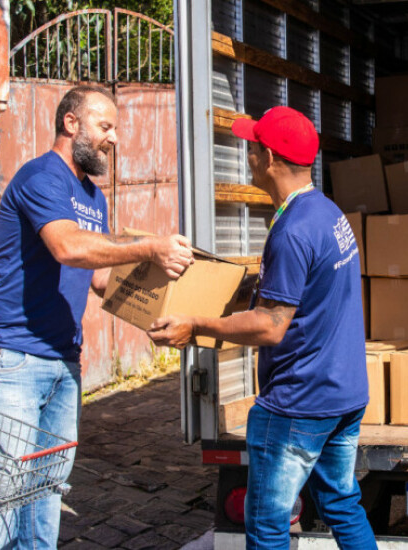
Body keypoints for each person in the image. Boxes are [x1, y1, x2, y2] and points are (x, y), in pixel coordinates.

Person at [0, 85, 194, 549]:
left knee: (48, 484)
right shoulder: (41, 178)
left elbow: (100, 280)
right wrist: (150, 245)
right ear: (72, 124)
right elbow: (67, 247)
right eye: (105, 126)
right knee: (6, 484)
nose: (114, 138)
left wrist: (159, 312)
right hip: (10, 353)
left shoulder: (92, 196)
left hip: (61, 356)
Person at [147, 106, 376, 549]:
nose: (247, 155)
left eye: (252, 147)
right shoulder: (327, 214)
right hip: (343, 394)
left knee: (268, 525)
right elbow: (304, 292)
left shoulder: (292, 230)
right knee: (342, 505)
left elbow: (271, 326)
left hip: (298, 402)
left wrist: (193, 325)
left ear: (269, 158)